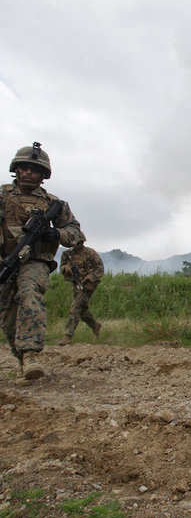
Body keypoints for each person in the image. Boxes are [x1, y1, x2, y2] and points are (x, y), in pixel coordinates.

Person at [0, 142, 83, 379]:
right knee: (7, 317)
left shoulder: (53, 204)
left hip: (36, 262)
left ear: (43, 175)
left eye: (33, 169)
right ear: (16, 170)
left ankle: (31, 355)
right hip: (6, 260)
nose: (28, 172)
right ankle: (23, 361)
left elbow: (76, 233)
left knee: (30, 294)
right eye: (24, 168)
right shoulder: (3, 196)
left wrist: (55, 234)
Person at [58, 239, 104, 345]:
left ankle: (68, 336)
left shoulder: (90, 253)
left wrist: (90, 278)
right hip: (76, 284)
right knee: (82, 311)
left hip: (88, 285)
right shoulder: (67, 254)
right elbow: (62, 267)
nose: (77, 245)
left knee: (76, 307)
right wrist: (66, 268)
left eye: (79, 243)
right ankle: (95, 326)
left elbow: (100, 268)